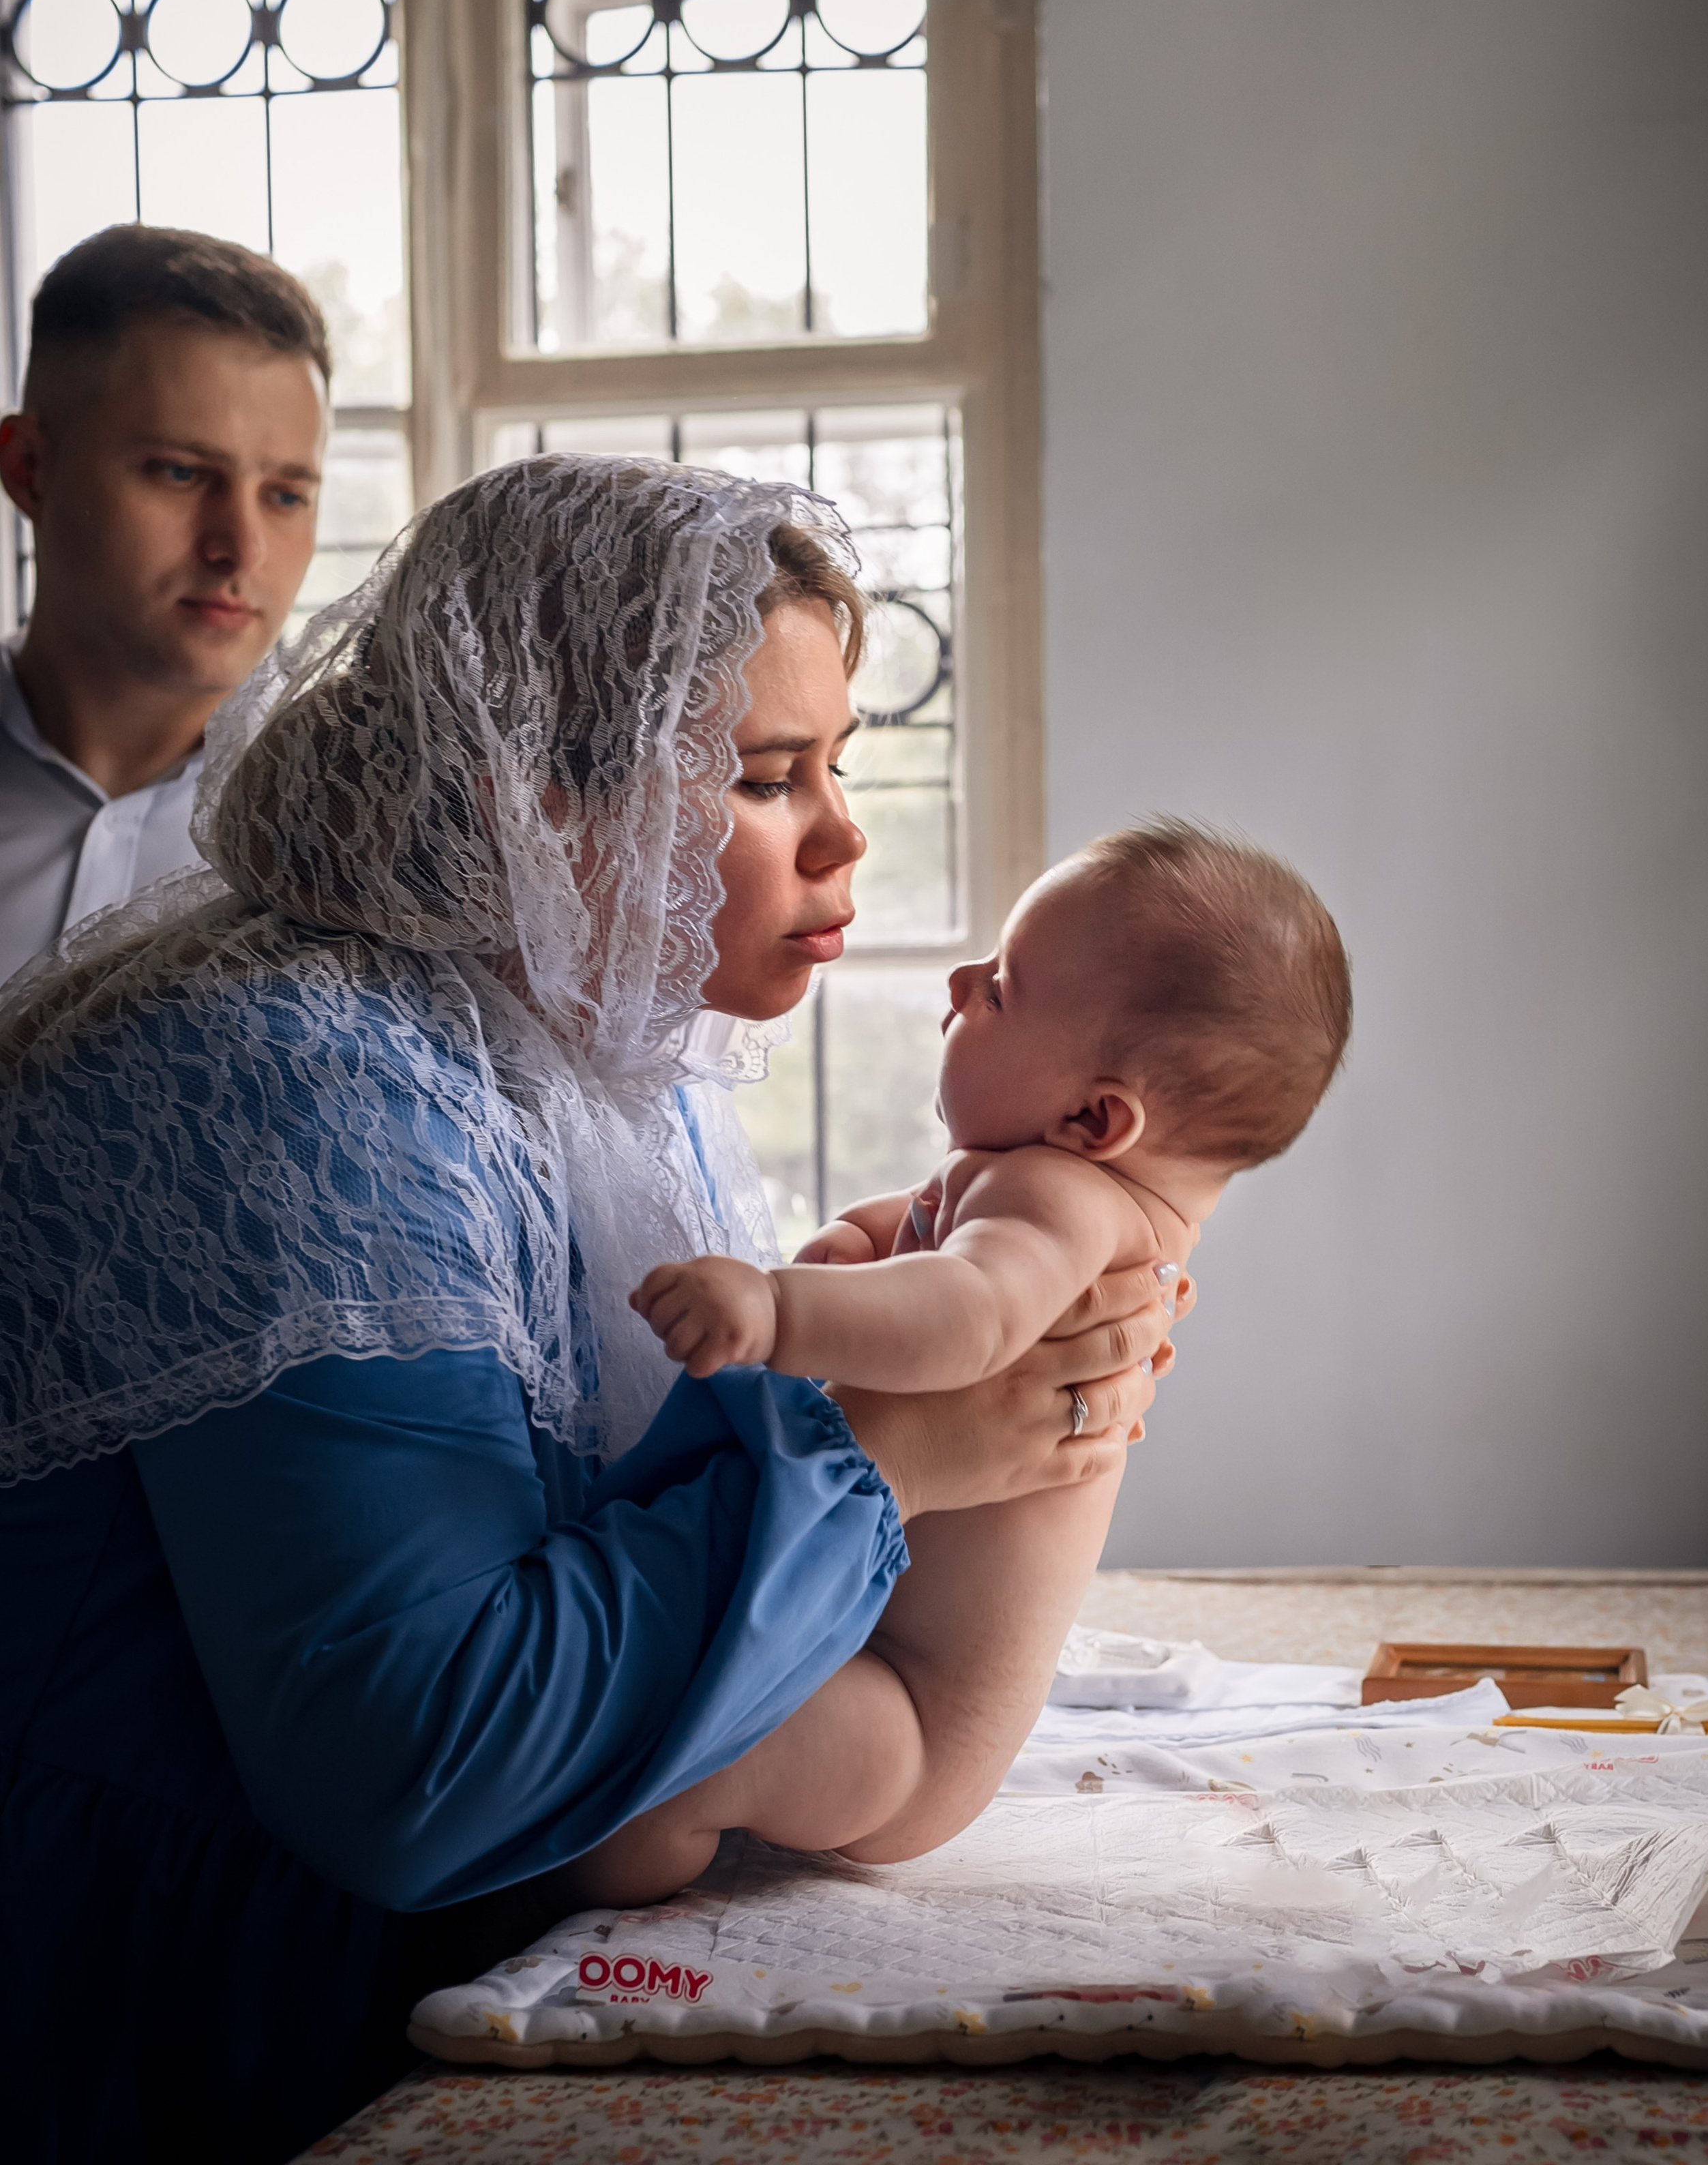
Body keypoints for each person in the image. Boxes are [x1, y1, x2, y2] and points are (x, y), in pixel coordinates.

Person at [0, 455, 1174, 2165]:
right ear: (525, 791)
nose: (844, 833)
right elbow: (415, 1770)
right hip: (161, 2020)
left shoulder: (598, 1062)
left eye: (837, 764)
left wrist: (874, 1342)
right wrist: (879, 1450)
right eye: (771, 776)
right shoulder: (295, 1075)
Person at [595, 822, 1350, 1902]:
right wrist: (861, 1247)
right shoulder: (1059, 1187)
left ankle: (636, 1940)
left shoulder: (1063, 1200)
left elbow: (973, 1313)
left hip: (904, 1713)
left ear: (1097, 1116)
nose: (961, 981)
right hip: (860, 1658)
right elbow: (922, 1243)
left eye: (1000, 986)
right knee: (668, 1750)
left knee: (647, 1796)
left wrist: (777, 1307)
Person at [0, 224, 329, 986]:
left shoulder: (358, 833)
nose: (241, 548)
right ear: (30, 469)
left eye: (285, 494)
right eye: (181, 474)